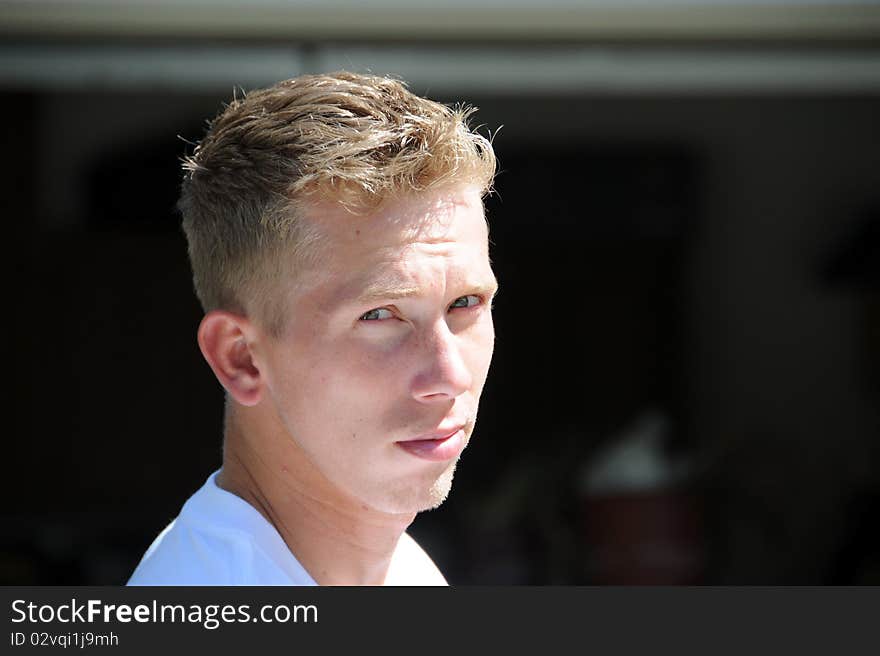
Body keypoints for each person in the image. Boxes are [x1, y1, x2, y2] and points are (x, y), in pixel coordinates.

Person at [127, 71, 499, 586]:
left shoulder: (404, 569)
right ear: (242, 357)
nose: (450, 374)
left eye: (466, 303)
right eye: (379, 315)